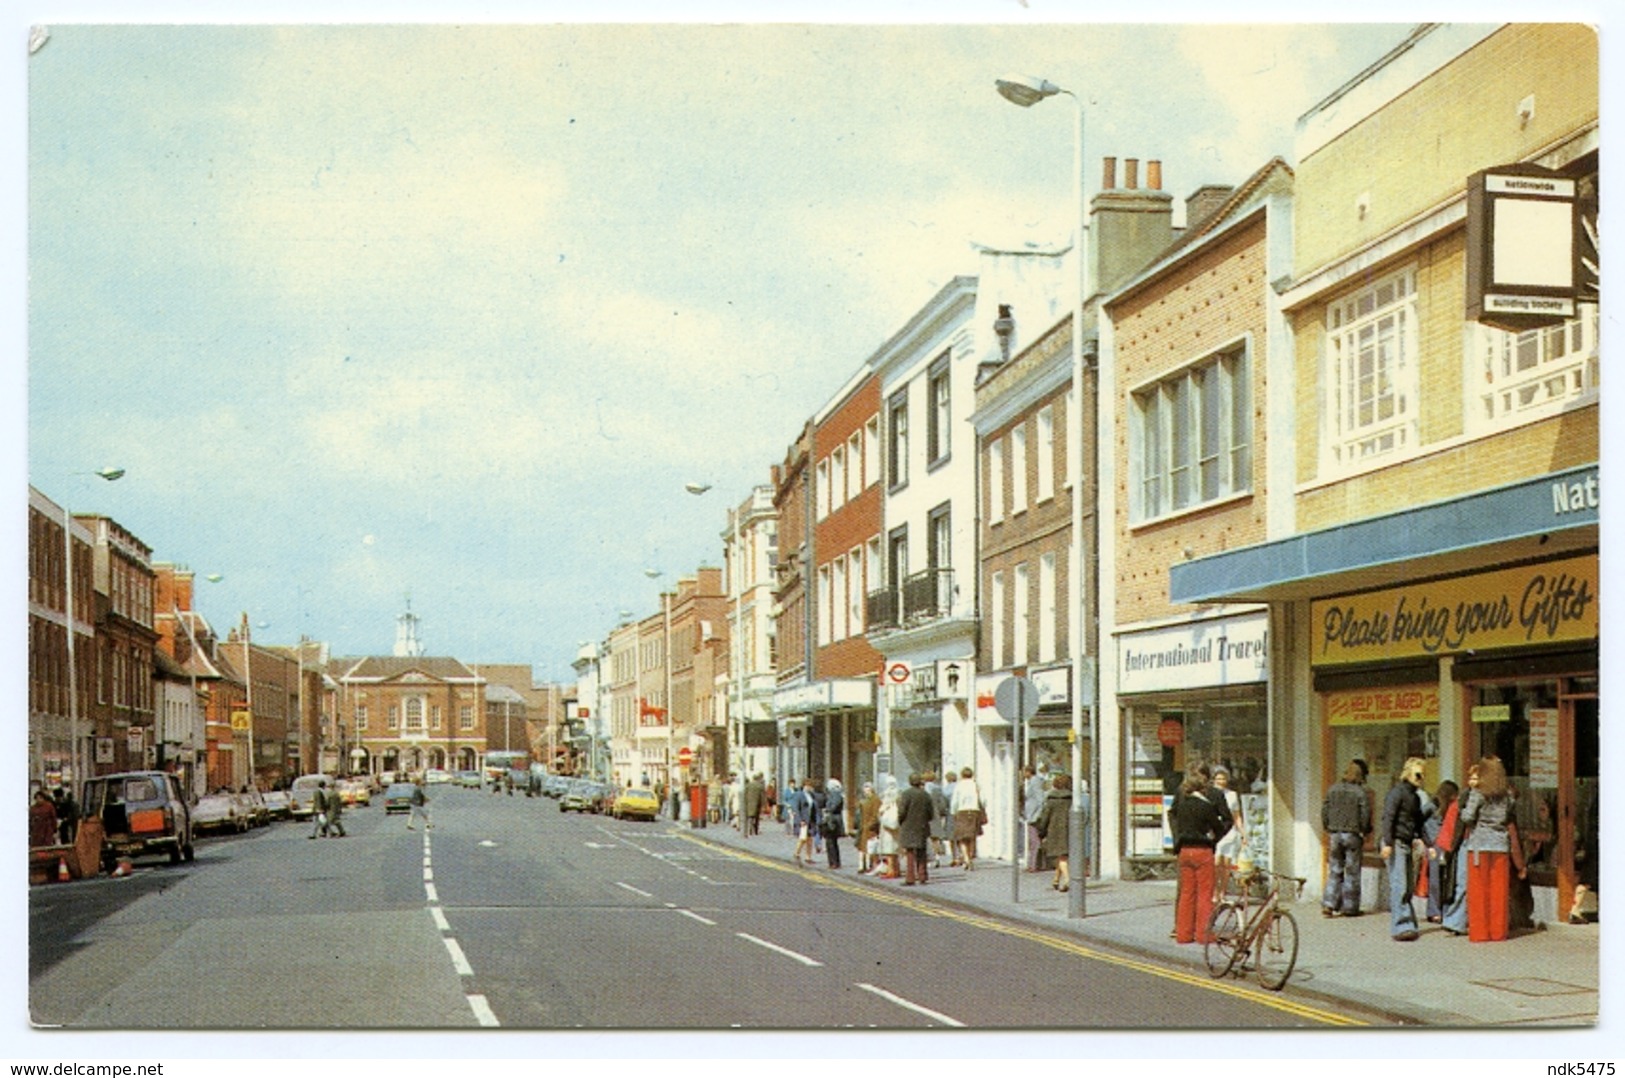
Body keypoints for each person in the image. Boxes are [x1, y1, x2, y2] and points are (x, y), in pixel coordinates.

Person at [1458, 755, 1525, 942]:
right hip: (1500, 846)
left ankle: (1480, 932)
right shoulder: (1508, 796)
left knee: (1479, 891)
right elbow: (1509, 817)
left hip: (1479, 846)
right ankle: (1498, 932)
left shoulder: (1478, 793)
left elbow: (1468, 817)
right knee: (1499, 891)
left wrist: (1462, 810)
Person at [1170, 774, 1227, 944]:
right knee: (1204, 894)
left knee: (1186, 894)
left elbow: (1176, 823)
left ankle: (1183, 934)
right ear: (1202, 788)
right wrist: (1213, 840)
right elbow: (1219, 827)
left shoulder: (1182, 806)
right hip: (1202, 850)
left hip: (1185, 851)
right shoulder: (1205, 806)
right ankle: (1203, 934)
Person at [1381, 756, 1428, 941]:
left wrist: (1426, 842)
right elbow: (1388, 817)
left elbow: (1417, 823)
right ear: (1407, 773)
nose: (1420, 778)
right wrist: (1387, 843)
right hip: (1396, 842)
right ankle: (1401, 926)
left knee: (1408, 885)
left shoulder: (1415, 797)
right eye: (1417, 774)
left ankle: (1408, 923)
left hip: (1407, 842)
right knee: (1399, 885)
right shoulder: (1397, 793)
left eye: (1423, 775)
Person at [1321, 760, 1374, 917]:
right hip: (1353, 834)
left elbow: (1324, 810)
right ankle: (1350, 907)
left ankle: (1329, 904)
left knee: (1335, 870)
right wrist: (1365, 830)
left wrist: (1327, 827)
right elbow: (1365, 814)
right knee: (1352, 871)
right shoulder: (1360, 792)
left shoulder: (1332, 790)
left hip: (1335, 834)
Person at [1424, 780, 1460, 923]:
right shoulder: (1431, 806)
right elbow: (1419, 821)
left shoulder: (1449, 807)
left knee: (1445, 879)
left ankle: (1443, 909)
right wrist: (1428, 842)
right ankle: (1434, 910)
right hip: (1435, 845)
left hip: (1445, 845)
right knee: (1435, 879)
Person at [1210, 766, 1246, 901]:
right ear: (1213, 780)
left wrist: (1243, 832)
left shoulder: (1232, 795)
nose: (1221, 781)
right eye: (1218, 778)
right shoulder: (1209, 793)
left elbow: (1236, 815)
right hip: (1216, 831)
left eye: (1223, 778)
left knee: (1226, 864)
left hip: (1230, 831)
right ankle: (1214, 890)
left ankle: (1222, 892)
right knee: (1216, 862)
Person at [1034, 772, 1073, 892]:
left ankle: (1067, 879)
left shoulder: (1051, 800)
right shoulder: (1072, 799)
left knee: (1060, 857)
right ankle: (1056, 879)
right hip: (1070, 829)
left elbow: (1045, 817)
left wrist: (1041, 830)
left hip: (1055, 831)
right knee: (1063, 856)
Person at [896, 772, 936, 885]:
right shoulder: (926, 795)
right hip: (922, 826)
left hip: (908, 826)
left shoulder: (906, 794)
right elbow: (931, 813)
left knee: (910, 853)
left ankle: (910, 878)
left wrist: (900, 821)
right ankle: (922, 876)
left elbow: (902, 811)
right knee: (922, 852)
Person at [1569, 791, 1598, 924]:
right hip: (1599, 840)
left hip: (1595, 839)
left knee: (1591, 876)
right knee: (1591, 876)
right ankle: (1575, 909)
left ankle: (1575, 909)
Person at [950, 766, 983, 870]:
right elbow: (983, 799)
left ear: (962, 775)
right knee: (972, 837)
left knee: (962, 838)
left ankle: (966, 859)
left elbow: (955, 800)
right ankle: (971, 857)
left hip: (962, 811)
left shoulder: (959, 786)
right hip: (974, 811)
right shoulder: (976, 785)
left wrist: (953, 812)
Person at [1022, 764, 1048, 872]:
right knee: (1034, 841)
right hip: (1031, 815)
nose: (1023, 774)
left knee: (1034, 841)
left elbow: (1040, 799)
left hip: (1034, 816)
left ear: (1028, 772)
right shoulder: (1032, 782)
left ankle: (1033, 864)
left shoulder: (1035, 782)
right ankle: (1035, 863)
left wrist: (1036, 815)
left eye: (1024, 772)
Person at [874, 778, 901, 878]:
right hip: (896, 825)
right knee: (896, 849)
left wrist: (881, 811)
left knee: (889, 849)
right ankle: (897, 869)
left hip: (888, 825)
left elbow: (883, 807)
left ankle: (891, 871)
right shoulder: (899, 793)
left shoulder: (888, 793)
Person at [926, 771, 952, 868]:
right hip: (935, 815)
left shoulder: (923, 789)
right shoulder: (937, 789)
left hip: (924, 815)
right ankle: (937, 857)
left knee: (925, 838)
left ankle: (928, 859)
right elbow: (942, 804)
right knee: (935, 838)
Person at [791, 779, 818, 866]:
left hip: (810, 819)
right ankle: (796, 853)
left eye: (811, 786)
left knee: (810, 839)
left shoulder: (811, 795)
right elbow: (795, 808)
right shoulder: (799, 795)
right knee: (803, 838)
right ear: (804, 786)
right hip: (803, 820)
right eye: (808, 786)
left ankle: (808, 857)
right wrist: (800, 820)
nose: (810, 788)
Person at [855, 782, 880, 873]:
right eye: (865, 789)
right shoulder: (864, 800)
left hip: (870, 828)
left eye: (868, 789)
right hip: (863, 827)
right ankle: (862, 866)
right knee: (862, 847)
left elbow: (875, 815)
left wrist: (869, 825)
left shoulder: (875, 800)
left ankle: (870, 865)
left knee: (870, 848)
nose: (865, 791)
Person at [821, 778, 845, 869]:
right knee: (831, 842)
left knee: (831, 842)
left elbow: (833, 806)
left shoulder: (836, 795)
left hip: (833, 821)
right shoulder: (834, 794)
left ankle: (834, 862)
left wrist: (827, 810)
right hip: (832, 819)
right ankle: (833, 862)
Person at [742, 773, 765, 838]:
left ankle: (749, 829)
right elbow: (762, 796)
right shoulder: (760, 786)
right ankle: (755, 830)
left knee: (749, 817)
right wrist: (764, 804)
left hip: (748, 803)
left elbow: (744, 794)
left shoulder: (748, 785)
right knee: (756, 818)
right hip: (757, 803)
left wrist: (745, 802)